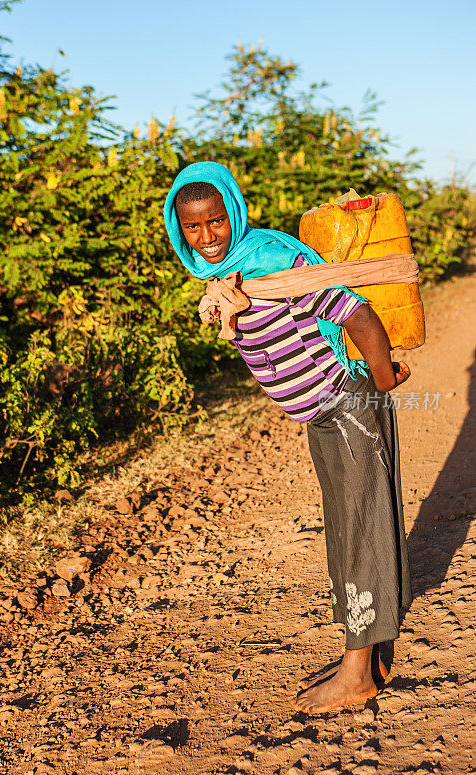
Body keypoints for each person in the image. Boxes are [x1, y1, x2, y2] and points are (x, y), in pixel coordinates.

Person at [163, 161, 413, 715]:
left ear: (234, 212)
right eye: (193, 227)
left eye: (216, 222)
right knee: (348, 530)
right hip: (324, 415)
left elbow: (358, 313)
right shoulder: (232, 274)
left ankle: (357, 674)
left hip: (348, 406)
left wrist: (382, 378)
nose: (206, 237)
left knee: (361, 530)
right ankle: (366, 658)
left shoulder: (275, 264)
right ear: (177, 228)